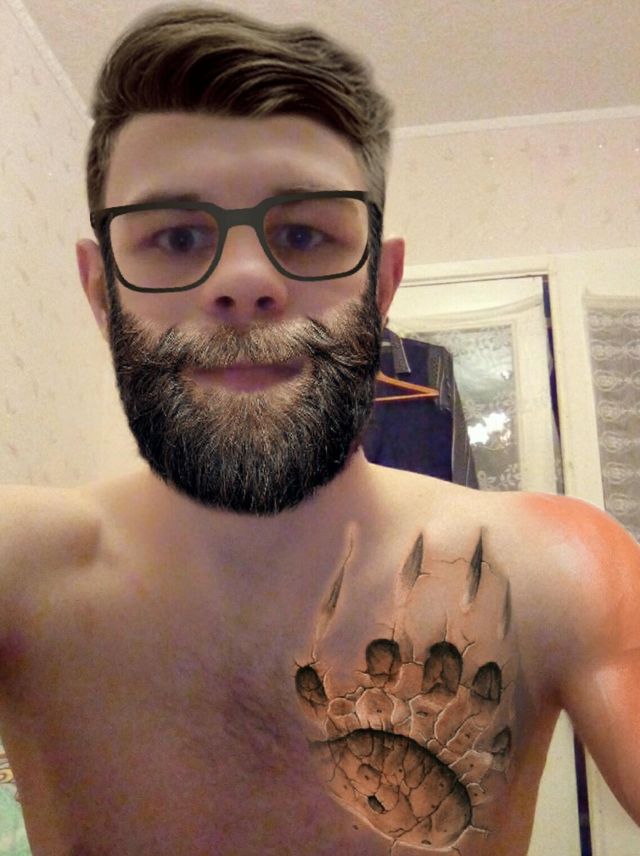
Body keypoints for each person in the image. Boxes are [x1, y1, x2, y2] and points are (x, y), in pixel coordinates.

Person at [1, 5, 639, 855]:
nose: (242, 280)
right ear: (99, 291)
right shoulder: (18, 571)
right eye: (176, 236)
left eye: (304, 234)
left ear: (382, 286)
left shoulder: (555, 572)